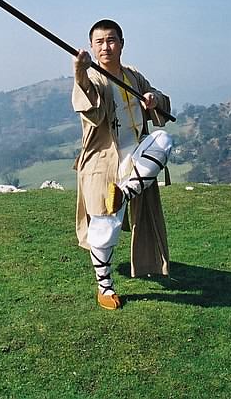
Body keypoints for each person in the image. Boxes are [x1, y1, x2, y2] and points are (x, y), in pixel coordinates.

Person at [72, 19, 173, 310]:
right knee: (106, 226)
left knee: (164, 140)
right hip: (104, 162)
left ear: (122, 43)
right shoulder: (94, 78)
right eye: (100, 42)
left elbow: (161, 103)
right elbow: (90, 106)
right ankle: (104, 288)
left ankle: (124, 194)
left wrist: (154, 99)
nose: (106, 46)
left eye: (112, 40)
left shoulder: (133, 75)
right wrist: (79, 73)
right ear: (91, 47)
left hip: (137, 159)